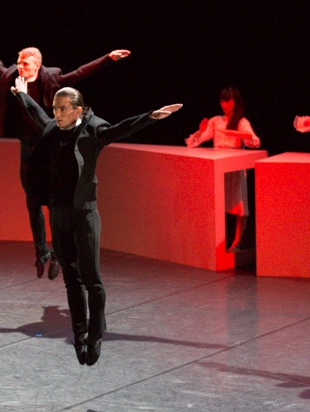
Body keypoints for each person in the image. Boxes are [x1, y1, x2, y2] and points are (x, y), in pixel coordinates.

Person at [11, 76, 182, 365]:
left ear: (77, 110)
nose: (57, 114)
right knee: (71, 281)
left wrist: (151, 116)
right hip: (59, 216)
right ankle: (79, 336)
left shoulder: (94, 130)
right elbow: (36, 113)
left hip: (85, 216)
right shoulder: (52, 128)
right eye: (55, 109)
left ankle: (95, 335)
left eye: (63, 109)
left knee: (92, 281)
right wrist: (22, 94)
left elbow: (122, 128)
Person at [0, 33, 131, 280]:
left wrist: (108, 58)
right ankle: (41, 251)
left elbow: (79, 73)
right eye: (18, 62)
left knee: (54, 203)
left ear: (37, 66)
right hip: (27, 146)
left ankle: (56, 254)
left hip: (49, 146)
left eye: (24, 64)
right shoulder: (12, 76)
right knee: (32, 202)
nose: (19, 67)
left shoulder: (51, 78)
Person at [185, 87, 261, 251]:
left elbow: (254, 140)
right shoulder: (215, 121)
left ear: (235, 101)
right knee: (216, 205)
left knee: (240, 206)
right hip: (218, 168)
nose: (223, 104)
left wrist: (245, 137)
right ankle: (215, 242)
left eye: (227, 100)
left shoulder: (242, 122)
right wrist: (200, 130)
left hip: (235, 168)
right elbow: (194, 143)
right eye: (221, 101)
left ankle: (236, 243)